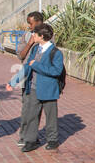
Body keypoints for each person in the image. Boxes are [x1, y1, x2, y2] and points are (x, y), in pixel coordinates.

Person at [19, 23, 64, 152]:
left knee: (50, 116)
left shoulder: (55, 52)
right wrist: (16, 80)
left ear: (42, 36)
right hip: (33, 87)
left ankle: (52, 140)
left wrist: (36, 65)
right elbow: (29, 64)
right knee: (31, 115)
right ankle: (30, 140)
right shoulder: (35, 49)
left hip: (49, 89)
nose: (33, 35)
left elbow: (56, 71)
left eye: (35, 34)